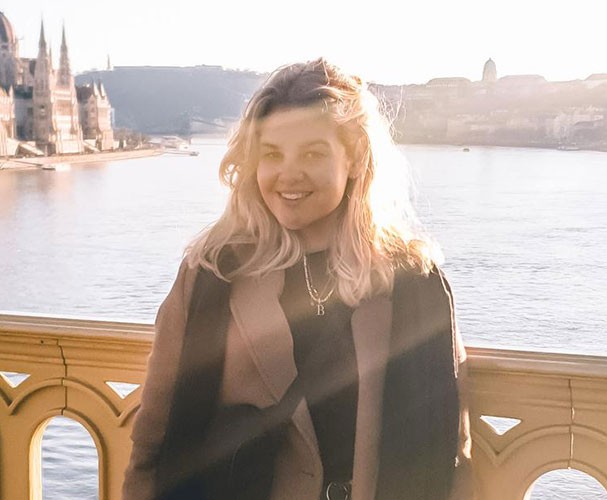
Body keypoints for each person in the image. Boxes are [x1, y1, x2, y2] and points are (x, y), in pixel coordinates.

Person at [123, 58, 474, 500]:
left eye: (312, 153)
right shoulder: (214, 273)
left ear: (354, 161)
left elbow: (449, 450)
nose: (288, 174)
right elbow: (155, 438)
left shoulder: (412, 281)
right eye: (272, 154)